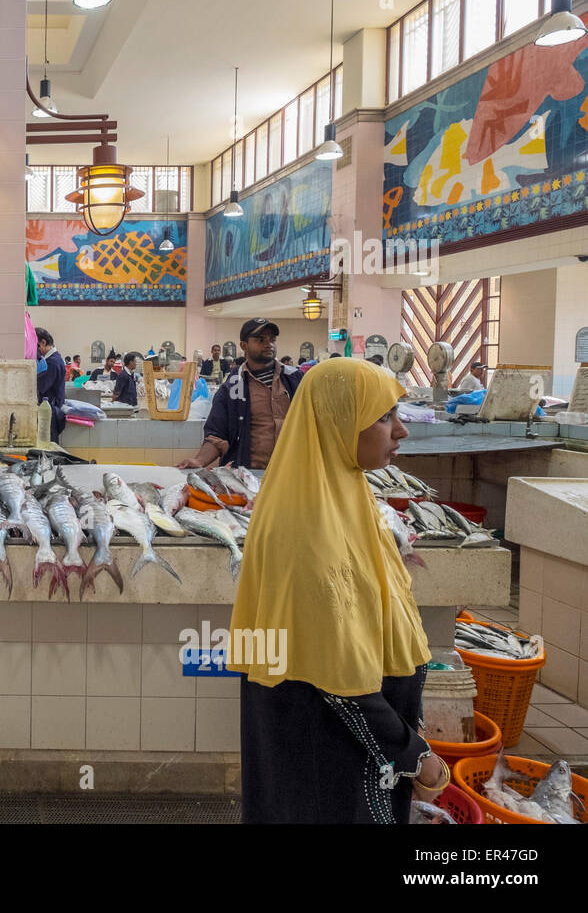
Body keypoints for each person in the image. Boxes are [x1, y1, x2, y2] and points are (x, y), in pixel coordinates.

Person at [229, 358, 443, 823]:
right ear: (337, 422)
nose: (400, 431)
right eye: (384, 417)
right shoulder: (305, 527)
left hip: (350, 744)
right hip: (324, 751)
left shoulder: (345, 493)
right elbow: (337, 679)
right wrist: (414, 755)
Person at [178, 318, 303, 470]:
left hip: (291, 472)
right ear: (244, 345)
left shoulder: (295, 380)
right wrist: (199, 461)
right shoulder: (232, 388)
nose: (268, 344)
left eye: (272, 339)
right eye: (260, 339)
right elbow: (217, 435)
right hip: (248, 474)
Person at [35, 327, 67, 441]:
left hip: (50, 413)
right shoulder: (55, 359)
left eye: (35, 347)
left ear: (43, 342)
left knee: (48, 448)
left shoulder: (52, 362)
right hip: (50, 410)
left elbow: (41, 386)